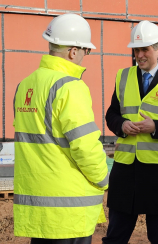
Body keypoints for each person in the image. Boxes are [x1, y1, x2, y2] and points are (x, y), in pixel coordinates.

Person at [13, 13, 109, 244]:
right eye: (87, 51)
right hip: (69, 208)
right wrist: (104, 179)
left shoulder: (25, 85)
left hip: (39, 206)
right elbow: (84, 146)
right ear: (73, 51)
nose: (86, 56)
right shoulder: (69, 87)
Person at [103, 20, 158, 244]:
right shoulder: (123, 77)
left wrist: (156, 128)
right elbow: (111, 114)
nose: (139, 55)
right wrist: (121, 125)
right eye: (136, 50)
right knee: (115, 236)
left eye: (145, 49)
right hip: (125, 169)